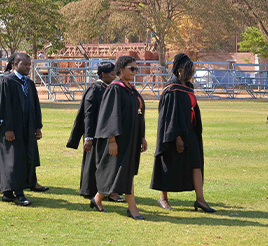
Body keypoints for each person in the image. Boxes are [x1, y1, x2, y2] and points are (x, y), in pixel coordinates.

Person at [151, 53, 215, 213]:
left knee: (196, 164)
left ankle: (200, 200)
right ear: (179, 71)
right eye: (189, 70)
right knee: (168, 162)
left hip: (190, 131)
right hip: (174, 134)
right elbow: (171, 116)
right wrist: (177, 137)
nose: (192, 74)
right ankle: (163, 198)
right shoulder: (171, 90)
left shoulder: (188, 87)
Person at [91, 56, 148, 220]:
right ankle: (132, 207)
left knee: (121, 172)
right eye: (132, 68)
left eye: (136, 69)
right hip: (119, 139)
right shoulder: (115, 88)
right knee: (124, 172)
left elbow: (139, 113)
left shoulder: (130, 88)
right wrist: (112, 140)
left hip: (131, 137)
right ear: (121, 70)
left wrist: (142, 136)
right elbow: (109, 116)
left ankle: (97, 199)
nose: (135, 72)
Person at [0, 53, 43, 206]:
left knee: (21, 159)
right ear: (14, 64)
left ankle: (8, 193)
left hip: (26, 127)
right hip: (10, 129)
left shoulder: (28, 83)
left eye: (29, 65)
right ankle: (17, 193)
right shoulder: (5, 82)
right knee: (12, 161)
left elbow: (35, 106)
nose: (28, 67)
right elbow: (0, 108)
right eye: (24, 64)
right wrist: (7, 129)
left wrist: (37, 126)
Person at [66, 61, 122, 201]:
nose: (114, 76)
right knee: (93, 162)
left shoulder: (108, 87)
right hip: (95, 132)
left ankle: (104, 190)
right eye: (111, 74)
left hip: (106, 132)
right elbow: (88, 114)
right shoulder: (95, 89)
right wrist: (88, 137)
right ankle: (90, 190)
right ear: (103, 74)